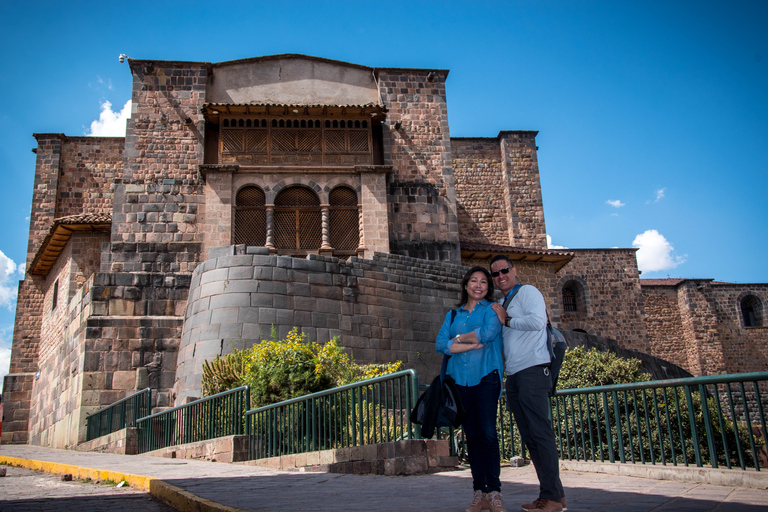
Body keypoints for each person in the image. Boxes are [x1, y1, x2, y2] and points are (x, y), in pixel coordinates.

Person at [490, 255, 566, 512]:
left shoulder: (528, 292)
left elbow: (538, 321)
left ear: (514, 270)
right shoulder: (503, 302)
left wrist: (507, 320)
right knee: (531, 437)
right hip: (515, 376)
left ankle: (552, 498)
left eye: (504, 270)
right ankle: (555, 495)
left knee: (541, 435)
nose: (500, 276)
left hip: (534, 371)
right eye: (495, 274)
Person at [436, 266, 506, 512]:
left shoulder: (492, 311)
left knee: (487, 434)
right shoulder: (452, 315)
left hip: (486, 376)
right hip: (459, 381)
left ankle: (494, 492)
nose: (479, 285)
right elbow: (440, 344)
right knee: (473, 437)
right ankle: (479, 493)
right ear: (465, 285)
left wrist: (457, 340)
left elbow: (488, 334)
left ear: (488, 288)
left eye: (484, 282)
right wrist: (468, 344)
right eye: (474, 281)